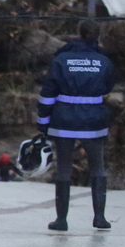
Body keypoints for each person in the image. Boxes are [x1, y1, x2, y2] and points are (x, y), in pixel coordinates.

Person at [38, 19, 116, 231]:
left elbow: (47, 94)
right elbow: (108, 86)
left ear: (79, 34)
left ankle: (61, 220)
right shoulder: (104, 61)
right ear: (97, 36)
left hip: (64, 119)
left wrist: (43, 123)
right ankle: (99, 218)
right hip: (94, 120)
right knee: (97, 167)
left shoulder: (61, 60)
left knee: (63, 168)